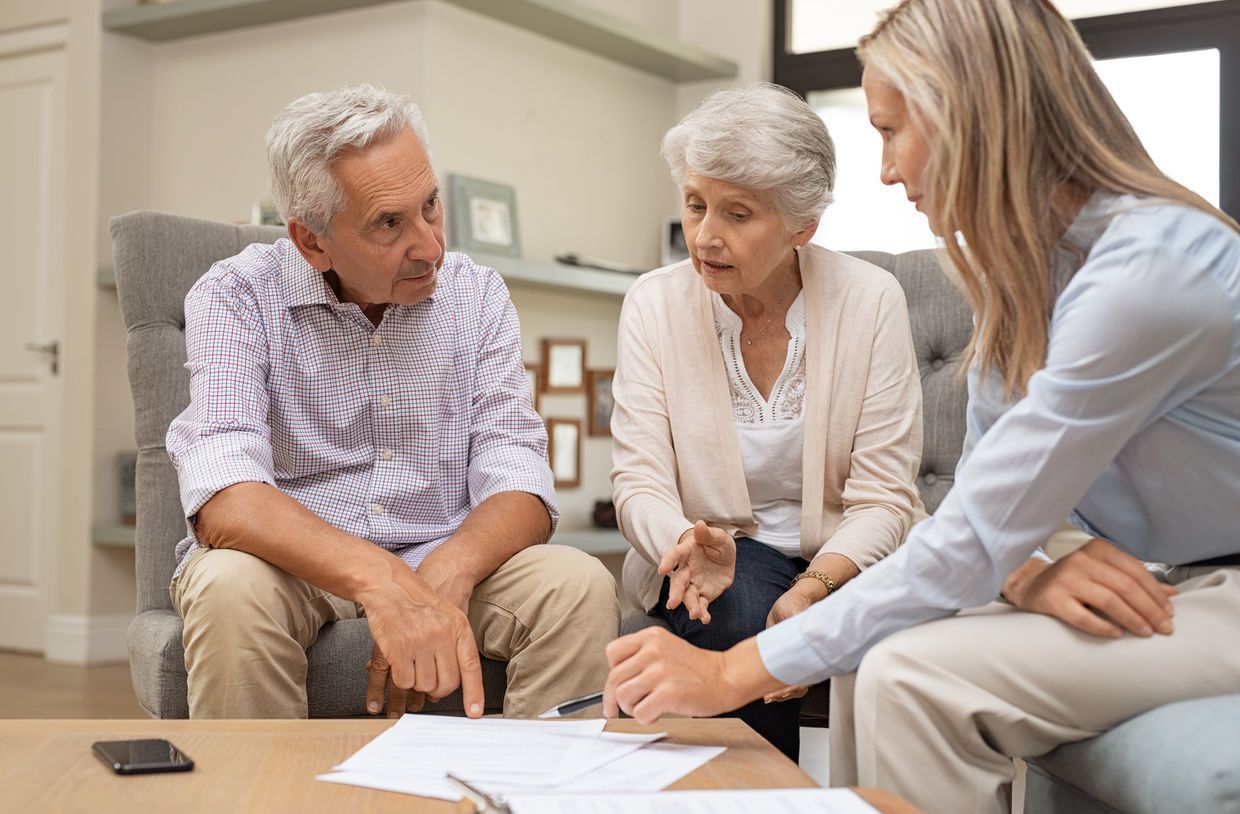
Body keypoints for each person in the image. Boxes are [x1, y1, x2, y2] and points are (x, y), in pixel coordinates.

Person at [602, 1, 1240, 810]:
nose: (885, 170)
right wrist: (1028, 571)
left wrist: (730, 672)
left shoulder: (1146, 277)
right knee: (887, 668)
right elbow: (980, 521)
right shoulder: (1030, 283)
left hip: (1220, 592)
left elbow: (963, 535)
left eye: (890, 131)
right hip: (1171, 584)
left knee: (906, 677)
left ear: (968, 118)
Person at [167, 84, 619, 720]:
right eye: (389, 223)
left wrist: (448, 570)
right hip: (289, 568)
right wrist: (382, 583)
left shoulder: (479, 296)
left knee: (577, 586)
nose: (431, 245)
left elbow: (520, 476)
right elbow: (226, 494)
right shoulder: (234, 296)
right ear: (312, 241)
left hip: (442, 549)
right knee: (227, 587)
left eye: (430, 206)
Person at [609, 84, 925, 761]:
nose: (704, 236)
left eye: (738, 214)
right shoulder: (654, 304)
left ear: (801, 226)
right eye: (695, 206)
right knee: (738, 609)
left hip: (848, 556)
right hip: (713, 556)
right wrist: (684, 545)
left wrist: (816, 585)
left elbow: (884, 497)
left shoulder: (870, 302)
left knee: (786, 615)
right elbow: (639, 480)